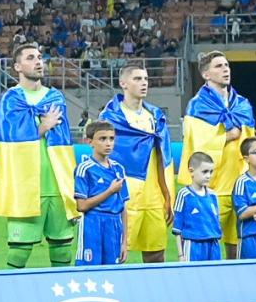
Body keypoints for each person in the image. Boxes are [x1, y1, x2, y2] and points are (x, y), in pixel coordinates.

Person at [0, 45, 76, 270]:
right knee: (19, 252)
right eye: (31, 58)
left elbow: (63, 138)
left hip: (57, 183)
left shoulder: (55, 97)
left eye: (40, 57)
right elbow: (14, 137)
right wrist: (44, 125)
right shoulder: (10, 99)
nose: (39, 62)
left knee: (63, 248)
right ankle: (11, 301)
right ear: (17, 67)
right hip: (25, 185)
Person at [103, 63, 173, 265]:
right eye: (137, 79)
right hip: (125, 194)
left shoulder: (156, 116)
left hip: (153, 195)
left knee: (156, 253)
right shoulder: (110, 118)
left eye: (146, 79)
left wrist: (168, 194)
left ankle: (156, 294)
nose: (144, 83)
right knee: (118, 252)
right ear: (123, 83)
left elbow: (165, 158)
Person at [182, 52, 255, 173]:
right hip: (212, 181)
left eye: (226, 65)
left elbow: (251, 140)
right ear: (206, 75)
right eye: (218, 66)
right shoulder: (197, 106)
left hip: (242, 176)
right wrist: (229, 135)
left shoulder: (242, 104)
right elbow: (197, 145)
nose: (225, 69)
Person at [71, 120, 128, 268]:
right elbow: (81, 206)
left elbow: (123, 208)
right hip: (93, 224)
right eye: (102, 139)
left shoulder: (119, 169)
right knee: (89, 271)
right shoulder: (85, 169)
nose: (108, 143)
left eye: (111, 139)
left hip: (114, 225)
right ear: (89, 142)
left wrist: (124, 242)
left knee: (112, 274)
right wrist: (109, 191)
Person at [172, 153, 223, 263]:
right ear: (191, 171)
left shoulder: (213, 195)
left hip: (213, 244)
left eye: (211, 172)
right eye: (204, 172)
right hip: (193, 245)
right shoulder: (184, 195)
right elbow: (177, 228)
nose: (208, 176)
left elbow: (217, 221)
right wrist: (181, 255)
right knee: (193, 277)